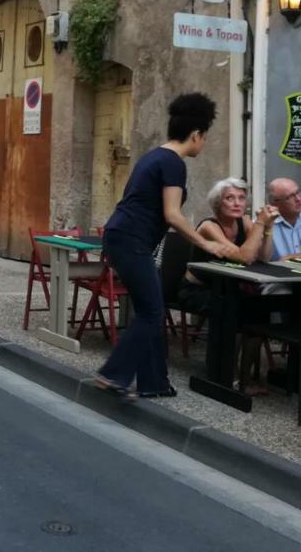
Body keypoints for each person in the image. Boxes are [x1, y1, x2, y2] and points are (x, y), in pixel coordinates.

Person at [94, 93, 237, 399]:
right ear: (196, 134)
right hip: (131, 240)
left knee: (151, 308)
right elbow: (172, 214)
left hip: (124, 237)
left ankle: (155, 382)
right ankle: (113, 373)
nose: (204, 143)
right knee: (151, 312)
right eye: (205, 137)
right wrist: (206, 244)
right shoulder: (173, 163)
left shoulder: (154, 156)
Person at [177, 177, 278, 394]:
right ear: (217, 203)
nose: (237, 203)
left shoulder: (244, 222)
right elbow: (244, 257)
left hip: (230, 290)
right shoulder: (208, 226)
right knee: (233, 312)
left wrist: (267, 229)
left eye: (241, 198)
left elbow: (265, 257)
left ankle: (244, 376)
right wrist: (260, 224)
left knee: (260, 314)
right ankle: (225, 376)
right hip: (197, 290)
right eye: (229, 198)